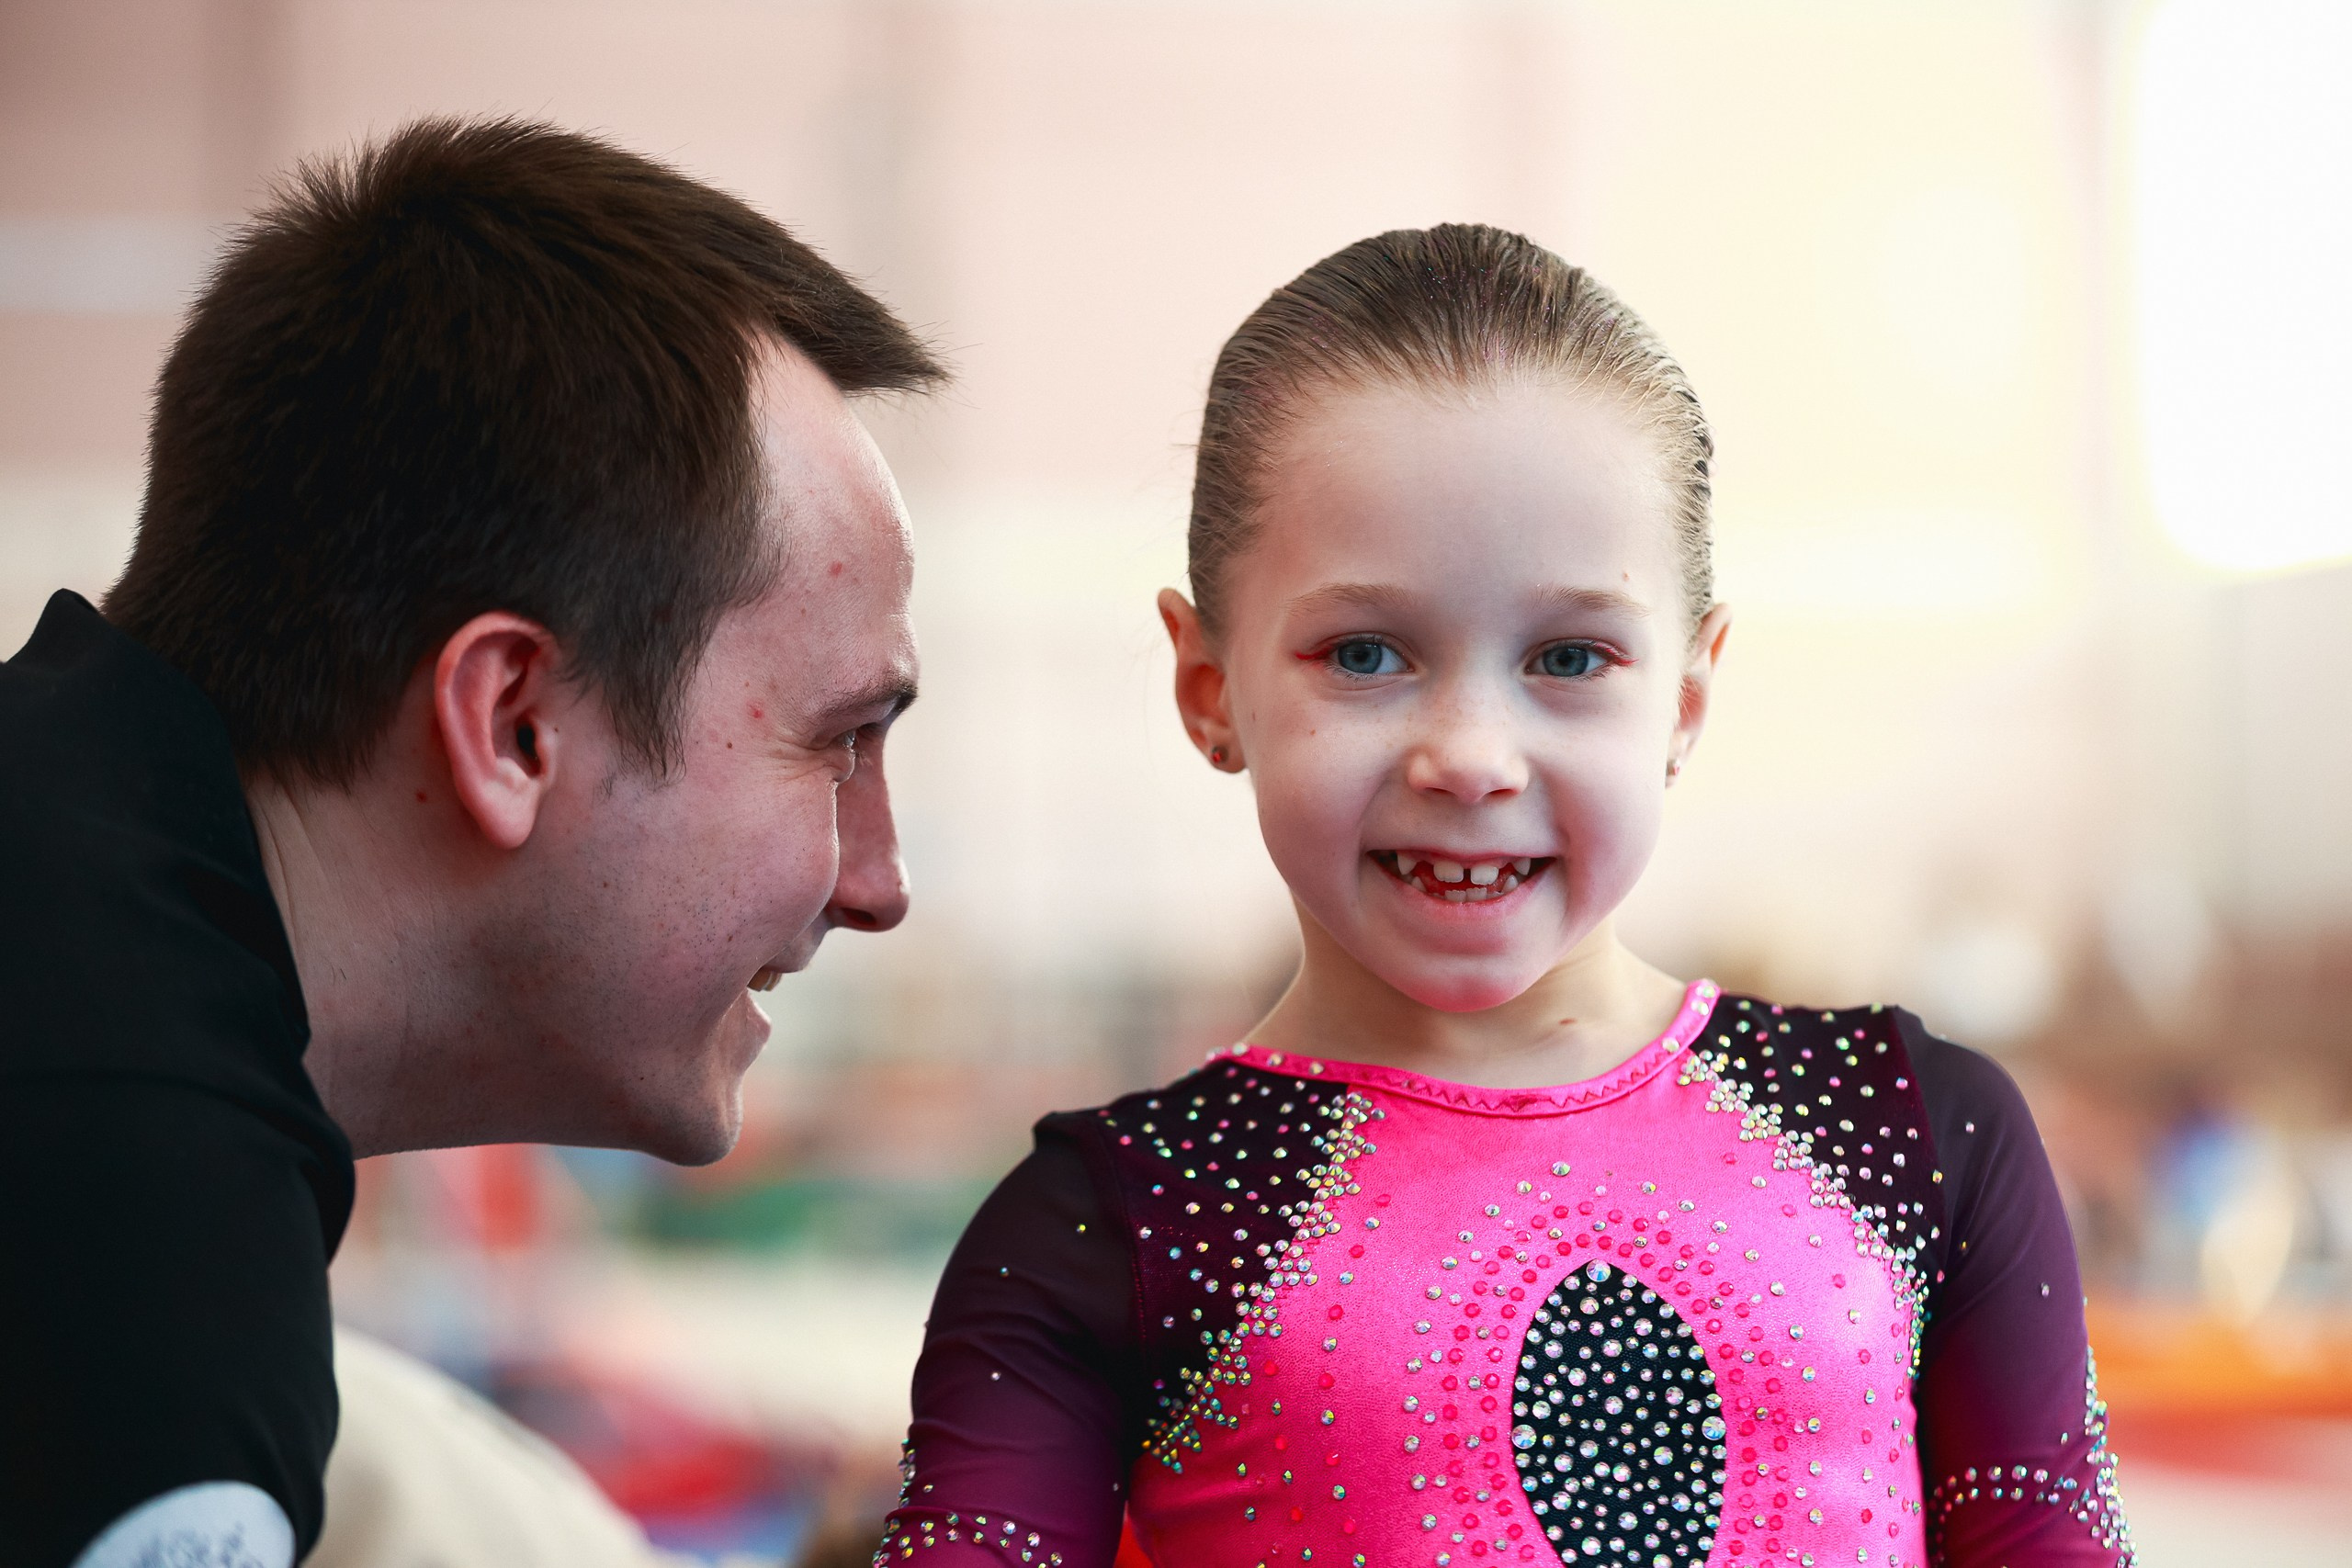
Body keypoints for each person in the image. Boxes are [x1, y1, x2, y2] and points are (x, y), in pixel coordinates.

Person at [880, 227, 2133, 1568]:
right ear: (1210, 686)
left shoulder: (1914, 1133)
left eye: (1571, 656)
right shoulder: (1116, 1222)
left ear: (1688, 697)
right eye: (1365, 654)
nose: (1471, 756)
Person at [0, 117, 942, 1568]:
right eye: (840, 740)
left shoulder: (76, 913)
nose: (878, 881)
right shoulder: (145, 1256)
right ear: (509, 724)